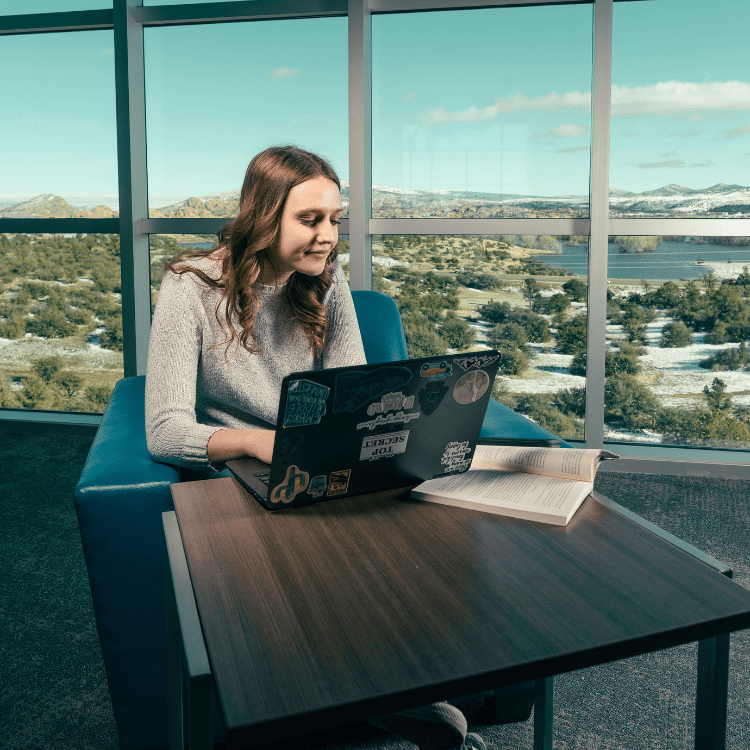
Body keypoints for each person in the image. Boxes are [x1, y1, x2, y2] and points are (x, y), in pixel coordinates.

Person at [145, 145, 485, 750]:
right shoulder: (190, 286)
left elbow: (351, 398)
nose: (328, 236)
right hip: (240, 469)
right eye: (311, 220)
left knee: (420, 525)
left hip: (321, 460)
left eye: (335, 219)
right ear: (264, 214)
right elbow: (165, 428)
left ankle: (382, 687)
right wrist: (258, 441)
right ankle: (376, 695)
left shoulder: (327, 289)